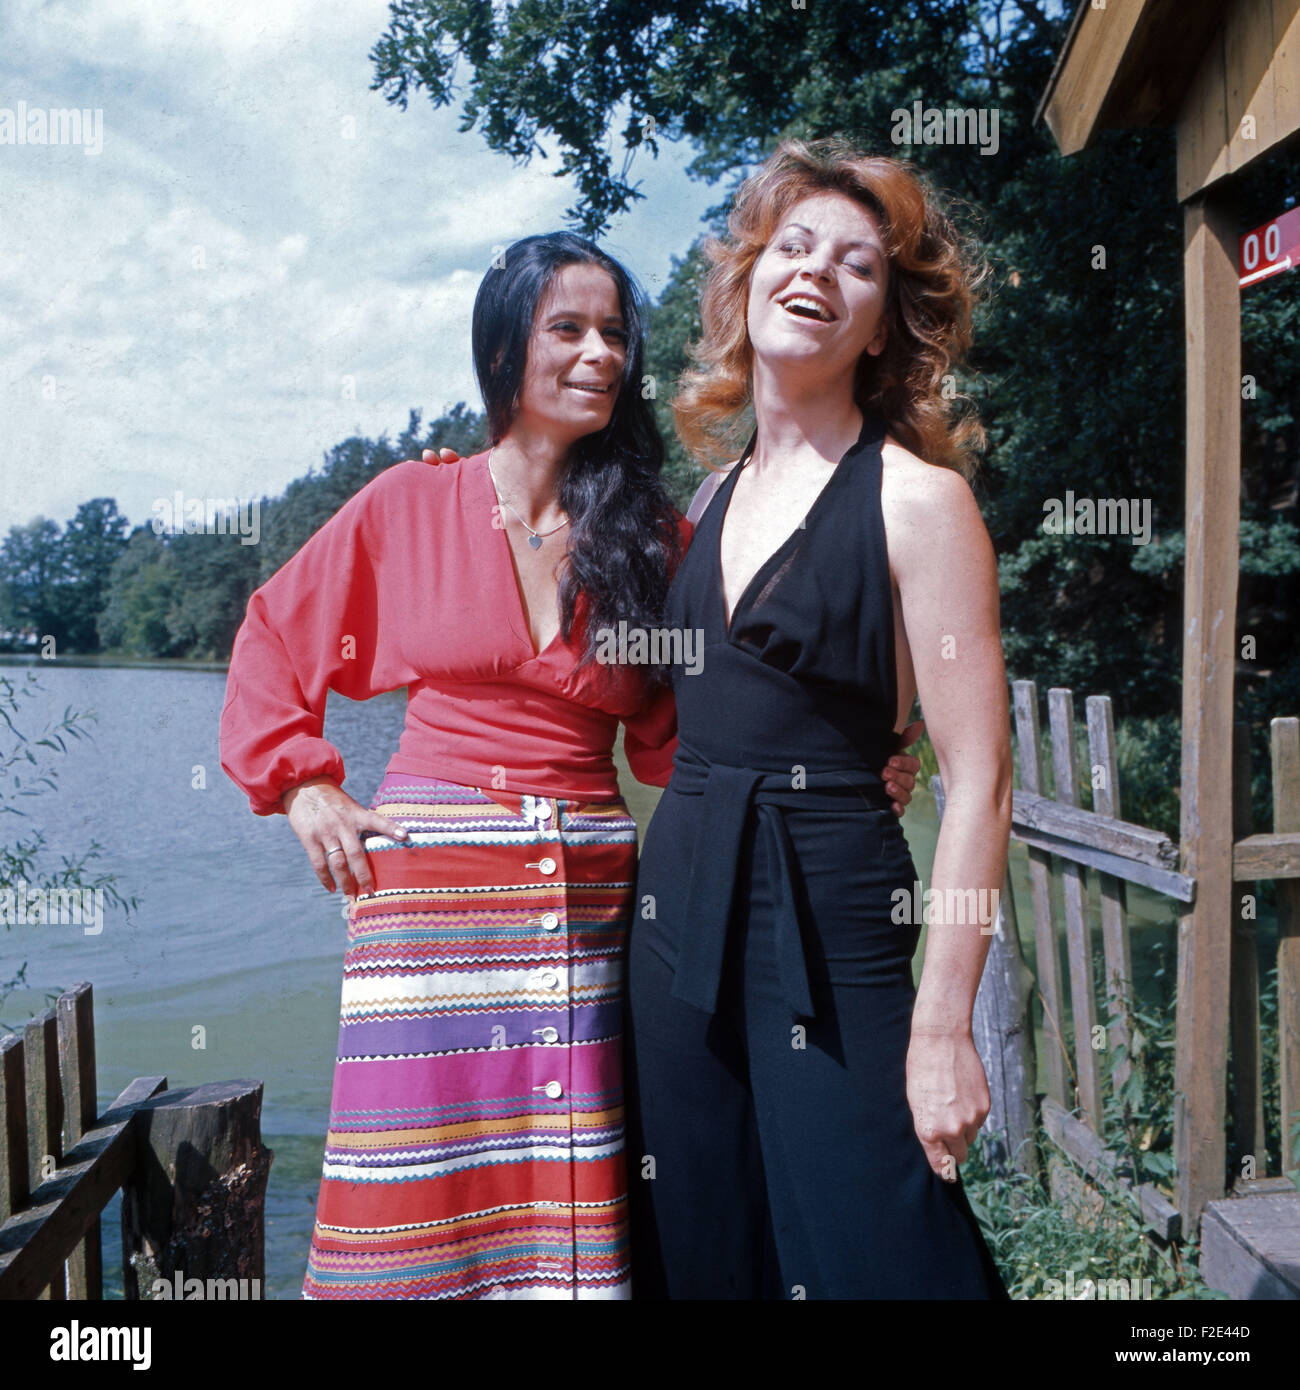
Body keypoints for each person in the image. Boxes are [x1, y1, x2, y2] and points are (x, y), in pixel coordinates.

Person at [220, 228, 926, 1300]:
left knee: (566, 1180)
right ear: (504, 350)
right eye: (568, 328)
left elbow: (700, 721)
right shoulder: (408, 503)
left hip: (592, 899)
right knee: (415, 1171)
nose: (599, 353)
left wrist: (835, 765)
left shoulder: (647, 535)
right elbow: (273, 633)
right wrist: (302, 782)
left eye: (614, 334)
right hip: (429, 896)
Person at [622, 137, 1013, 1299]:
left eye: (855, 265)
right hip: (675, 906)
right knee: (702, 1243)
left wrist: (942, 1029)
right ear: (746, 282)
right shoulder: (703, 497)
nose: (815, 273)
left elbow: (980, 781)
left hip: (834, 917)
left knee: (882, 1250)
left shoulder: (921, 502)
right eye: (791, 246)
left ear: (883, 323)